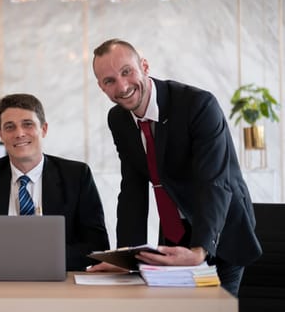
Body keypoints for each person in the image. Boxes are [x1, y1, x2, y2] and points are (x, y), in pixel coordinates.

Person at [89, 38, 262, 296]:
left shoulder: (198, 105)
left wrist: (199, 250)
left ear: (144, 66)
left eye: (126, 72)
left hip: (221, 229)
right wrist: (123, 259)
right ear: (101, 87)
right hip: (174, 233)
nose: (122, 86)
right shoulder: (118, 119)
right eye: (109, 80)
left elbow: (214, 181)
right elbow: (133, 188)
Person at [0, 93, 110, 270]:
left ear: (44, 129)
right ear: (0, 134)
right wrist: (7, 257)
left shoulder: (77, 175)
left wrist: (41, 258)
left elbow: (97, 245)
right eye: (10, 127)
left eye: (28, 124)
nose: (19, 133)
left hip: (59, 284)